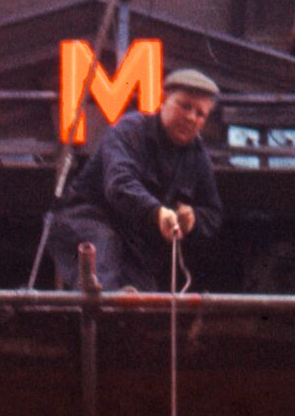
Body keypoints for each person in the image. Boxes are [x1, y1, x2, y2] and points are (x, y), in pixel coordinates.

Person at [50, 69, 224, 291]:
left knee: (144, 299)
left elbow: (213, 212)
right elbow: (119, 184)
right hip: (84, 219)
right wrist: (157, 212)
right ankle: (101, 307)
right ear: (163, 100)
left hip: (135, 244)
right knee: (104, 251)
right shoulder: (129, 131)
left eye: (200, 114)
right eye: (185, 106)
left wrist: (194, 219)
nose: (191, 117)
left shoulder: (198, 158)